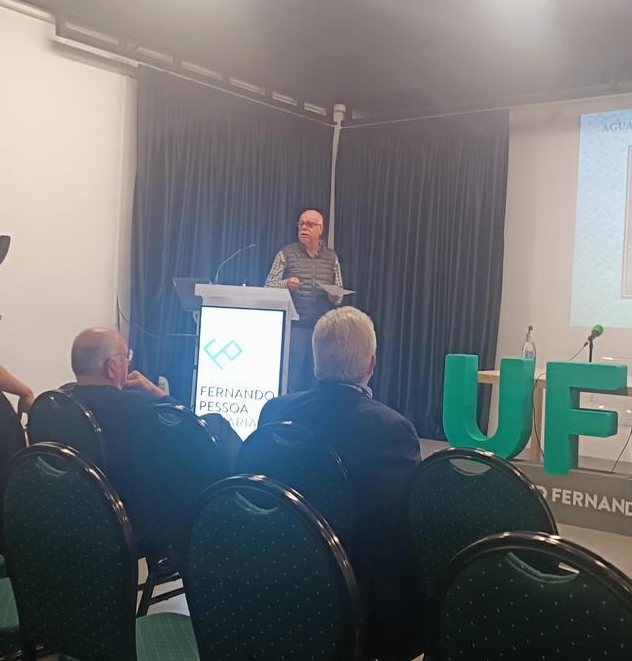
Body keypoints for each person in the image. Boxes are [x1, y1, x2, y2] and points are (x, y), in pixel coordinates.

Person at [258, 307, 422, 660]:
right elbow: (398, 525)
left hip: (277, 575)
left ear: (316, 361)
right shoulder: (391, 430)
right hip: (355, 590)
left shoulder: (274, 412)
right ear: (372, 363)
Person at [66, 328, 241, 500]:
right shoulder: (141, 408)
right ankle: (242, 496)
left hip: (87, 505)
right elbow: (191, 428)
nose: (129, 363)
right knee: (217, 424)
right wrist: (157, 393)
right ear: (112, 368)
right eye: (127, 357)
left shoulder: (58, 403)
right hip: (145, 507)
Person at [266, 208, 344, 393]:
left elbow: (339, 294)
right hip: (295, 327)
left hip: (323, 328)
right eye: (301, 224)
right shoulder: (286, 253)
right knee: (291, 375)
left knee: (321, 375)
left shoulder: (331, 257)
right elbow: (268, 285)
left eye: (309, 224)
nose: (304, 228)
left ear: (320, 229)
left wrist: (335, 297)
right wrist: (286, 283)